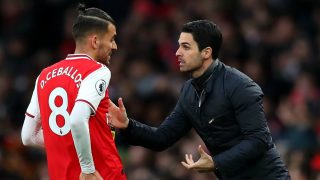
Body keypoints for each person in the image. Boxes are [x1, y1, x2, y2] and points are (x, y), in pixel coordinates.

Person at [108, 20, 290, 179]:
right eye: (179, 45)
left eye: (186, 47)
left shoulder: (241, 86)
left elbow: (258, 140)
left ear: (206, 52)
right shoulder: (189, 91)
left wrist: (216, 162)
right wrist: (127, 125)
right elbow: (162, 138)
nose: (178, 52)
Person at [21, 4, 126, 180]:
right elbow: (77, 119)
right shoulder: (97, 70)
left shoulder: (44, 75)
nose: (114, 46)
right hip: (102, 174)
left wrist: (67, 142)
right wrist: (87, 168)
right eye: (112, 39)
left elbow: (28, 136)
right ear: (95, 41)